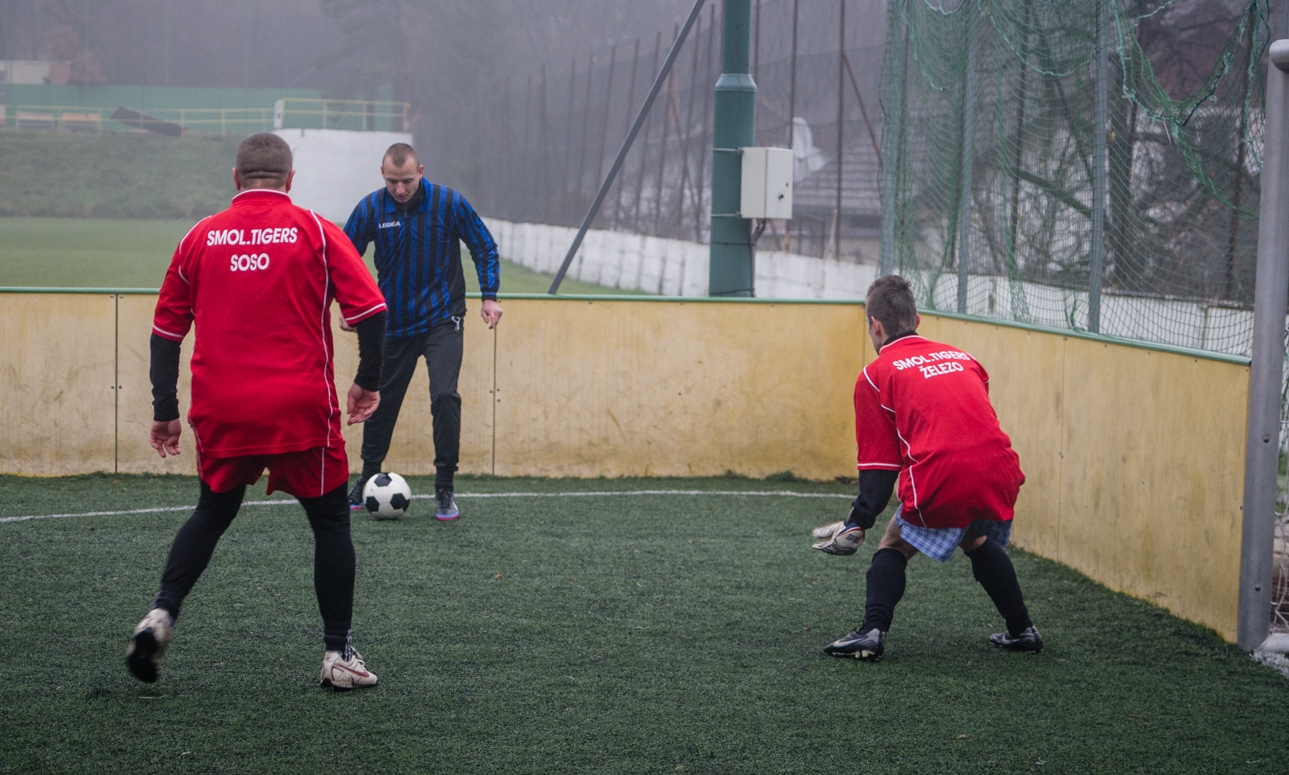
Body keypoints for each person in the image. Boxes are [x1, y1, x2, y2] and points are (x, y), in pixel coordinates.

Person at [127, 133, 390, 690]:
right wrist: (369, 382)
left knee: (213, 514)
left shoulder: (199, 237)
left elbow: (164, 334)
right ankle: (337, 654)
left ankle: (161, 613)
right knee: (330, 522)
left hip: (222, 408)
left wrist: (165, 410)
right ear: (290, 180)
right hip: (299, 408)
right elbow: (371, 311)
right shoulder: (316, 230)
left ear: (236, 178)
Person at [811, 274, 1041, 661]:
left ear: (875, 325)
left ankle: (871, 632)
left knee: (894, 542)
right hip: (1000, 469)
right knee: (973, 537)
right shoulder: (963, 357)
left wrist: (858, 521)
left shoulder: (875, 375)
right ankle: (1022, 630)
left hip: (946, 474)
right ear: (916, 319)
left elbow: (880, 467)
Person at [342, 143, 502, 520]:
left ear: (421, 172)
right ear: (382, 173)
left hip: (443, 319)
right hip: (392, 322)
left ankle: (444, 489)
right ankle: (366, 479)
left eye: (408, 181)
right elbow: (344, 258)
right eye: (393, 181)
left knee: (445, 396)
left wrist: (489, 296)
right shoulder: (370, 208)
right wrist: (348, 306)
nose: (400, 189)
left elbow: (484, 247)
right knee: (379, 402)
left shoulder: (449, 203)